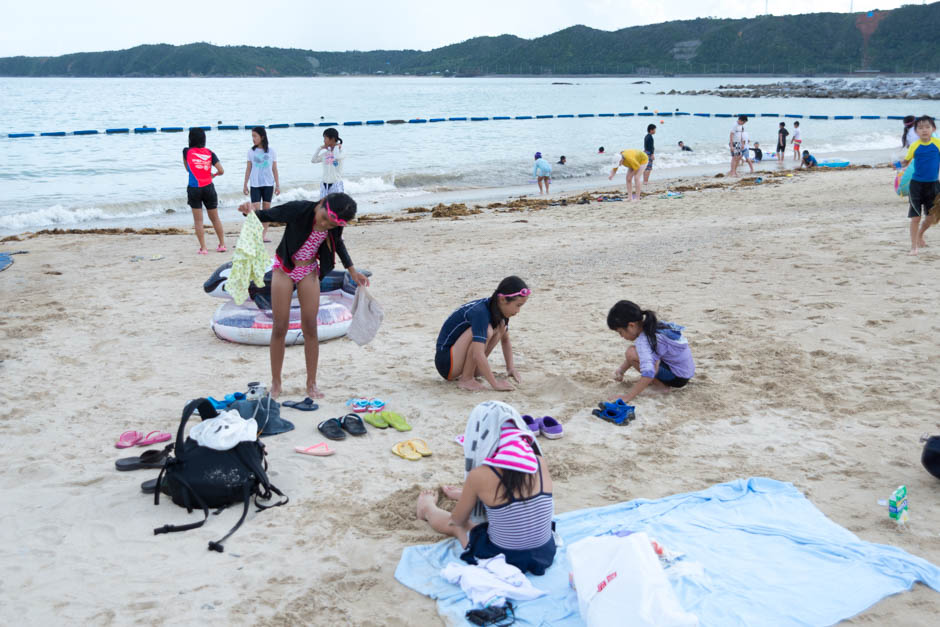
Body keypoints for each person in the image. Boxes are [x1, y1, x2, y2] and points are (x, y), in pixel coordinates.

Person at [236, 193, 370, 398]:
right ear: (322, 204)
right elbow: (267, 214)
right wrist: (249, 211)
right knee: (279, 327)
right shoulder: (299, 209)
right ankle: (276, 383)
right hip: (284, 269)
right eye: (324, 217)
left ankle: (311, 384)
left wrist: (352, 271)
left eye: (331, 224)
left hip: (309, 271)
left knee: (310, 328)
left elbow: (339, 244)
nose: (325, 224)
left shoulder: (334, 224)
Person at [416, 401, 556, 575]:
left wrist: (465, 497)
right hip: (544, 553)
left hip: (504, 558)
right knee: (509, 510)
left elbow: (457, 520)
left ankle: (427, 508)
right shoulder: (539, 462)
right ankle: (467, 496)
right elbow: (517, 494)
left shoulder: (481, 475)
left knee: (458, 525)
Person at [435, 276, 529, 392]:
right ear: (503, 299)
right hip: (446, 362)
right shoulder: (480, 312)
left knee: (501, 327)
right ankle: (466, 378)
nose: (518, 311)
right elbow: (478, 353)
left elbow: (505, 340)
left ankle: (471, 371)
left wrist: (510, 368)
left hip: (458, 358)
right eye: (518, 305)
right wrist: (495, 384)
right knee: (487, 331)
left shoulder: (499, 311)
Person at [607, 300, 695, 403]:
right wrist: (621, 370)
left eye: (620, 332)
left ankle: (660, 387)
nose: (621, 336)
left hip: (677, 377)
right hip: (684, 372)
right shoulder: (653, 326)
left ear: (631, 325)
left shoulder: (644, 340)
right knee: (635, 352)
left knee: (631, 352)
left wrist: (628, 396)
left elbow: (648, 372)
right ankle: (659, 381)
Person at [900, 115, 940, 255]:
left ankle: (920, 234)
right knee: (916, 217)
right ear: (916, 131)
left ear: (933, 129)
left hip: (934, 185)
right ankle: (913, 247)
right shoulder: (914, 146)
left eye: (927, 127)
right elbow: (906, 162)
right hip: (916, 185)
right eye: (920, 128)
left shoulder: (938, 143)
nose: (924, 130)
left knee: (932, 217)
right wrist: (898, 164)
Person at [183, 128, 226, 255]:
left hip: (194, 188)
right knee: (215, 218)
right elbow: (221, 170)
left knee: (198, 221)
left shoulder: (186, 151)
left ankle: (204, 248)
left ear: (191, 139)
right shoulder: (210, 153)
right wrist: (213, 175)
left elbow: (188, 169)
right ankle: (222, 244)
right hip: (208, 187)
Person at [243, 126, 280, 243]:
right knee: (256, 211)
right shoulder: (251, 152)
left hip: (268, 184)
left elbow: (274, 169)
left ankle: (263, 235)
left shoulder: (271, 151)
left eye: (255, 136)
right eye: (252, 136)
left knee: (267, 210)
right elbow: (248, 168)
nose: (253, 139)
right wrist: (245, 184)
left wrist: (278, 185)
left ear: (262, 137)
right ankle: (256, 234)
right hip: (255, 184)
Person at [312, 128, 345, 198]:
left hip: (336, 184)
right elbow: (313, 160)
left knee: (336, 207)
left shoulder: (341, 152)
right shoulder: (326, 154)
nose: (324, 141)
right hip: (325, 185)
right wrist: (319, 148)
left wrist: (336, 147)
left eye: (325, 138)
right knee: (324, 207)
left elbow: (336, 157)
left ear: (332, 139)